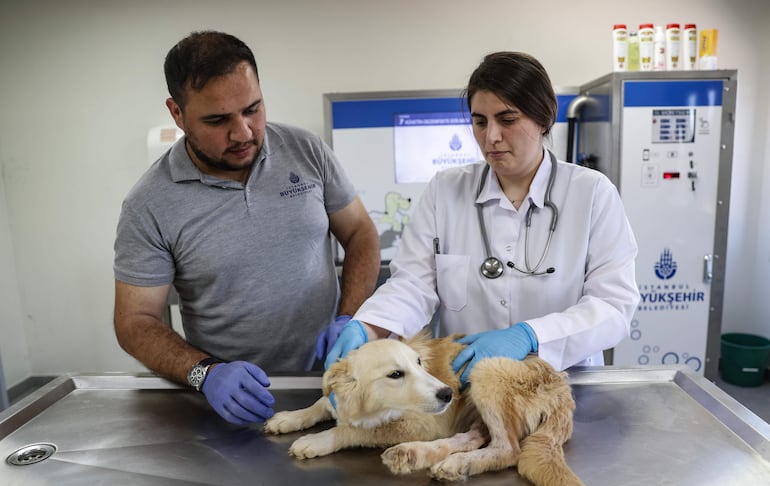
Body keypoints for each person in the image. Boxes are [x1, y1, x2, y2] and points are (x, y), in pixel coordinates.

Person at [113, 31, 380, 425]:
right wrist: (207, 374)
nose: (243, 133)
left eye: (252, 109)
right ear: (177, 113)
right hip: (234, 401)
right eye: (218, 120)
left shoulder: (306, 151)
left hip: (331, 383)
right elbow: (134, 322)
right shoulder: (148, 205)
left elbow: (361, 233)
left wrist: (349, 319)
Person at [324, 51, 640, 382]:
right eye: (479, 121)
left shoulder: (591, 193)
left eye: (507, 120)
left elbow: (613, 306)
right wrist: (369, 324)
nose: (491, 137)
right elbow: (413, 284)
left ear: (544, 118)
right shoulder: (446, 190)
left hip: (564, 386)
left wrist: (531, 336)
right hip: (470, 388)